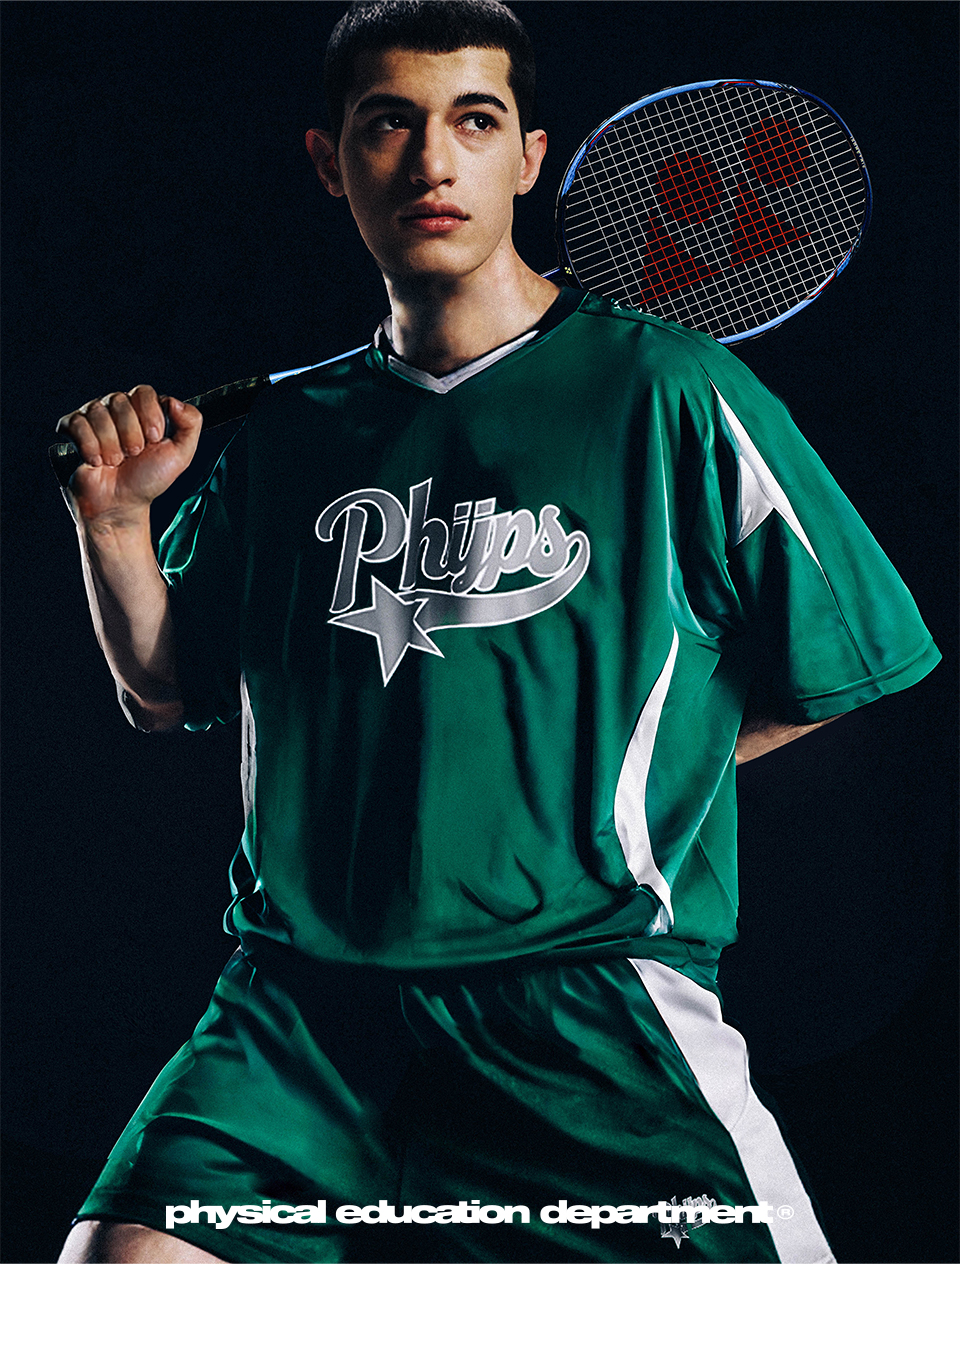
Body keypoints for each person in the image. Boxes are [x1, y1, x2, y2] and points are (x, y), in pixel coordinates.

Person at [56, 1, 939, 1264]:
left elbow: (850, 660)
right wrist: (113, 522)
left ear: (528, 158)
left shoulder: (675, 392)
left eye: (473, 121)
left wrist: (595, 799)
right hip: (300, 1012)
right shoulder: (286, 435)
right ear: (330, 161)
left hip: (581, 1004)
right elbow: (163, 690)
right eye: (389, 124)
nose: (432, 161)